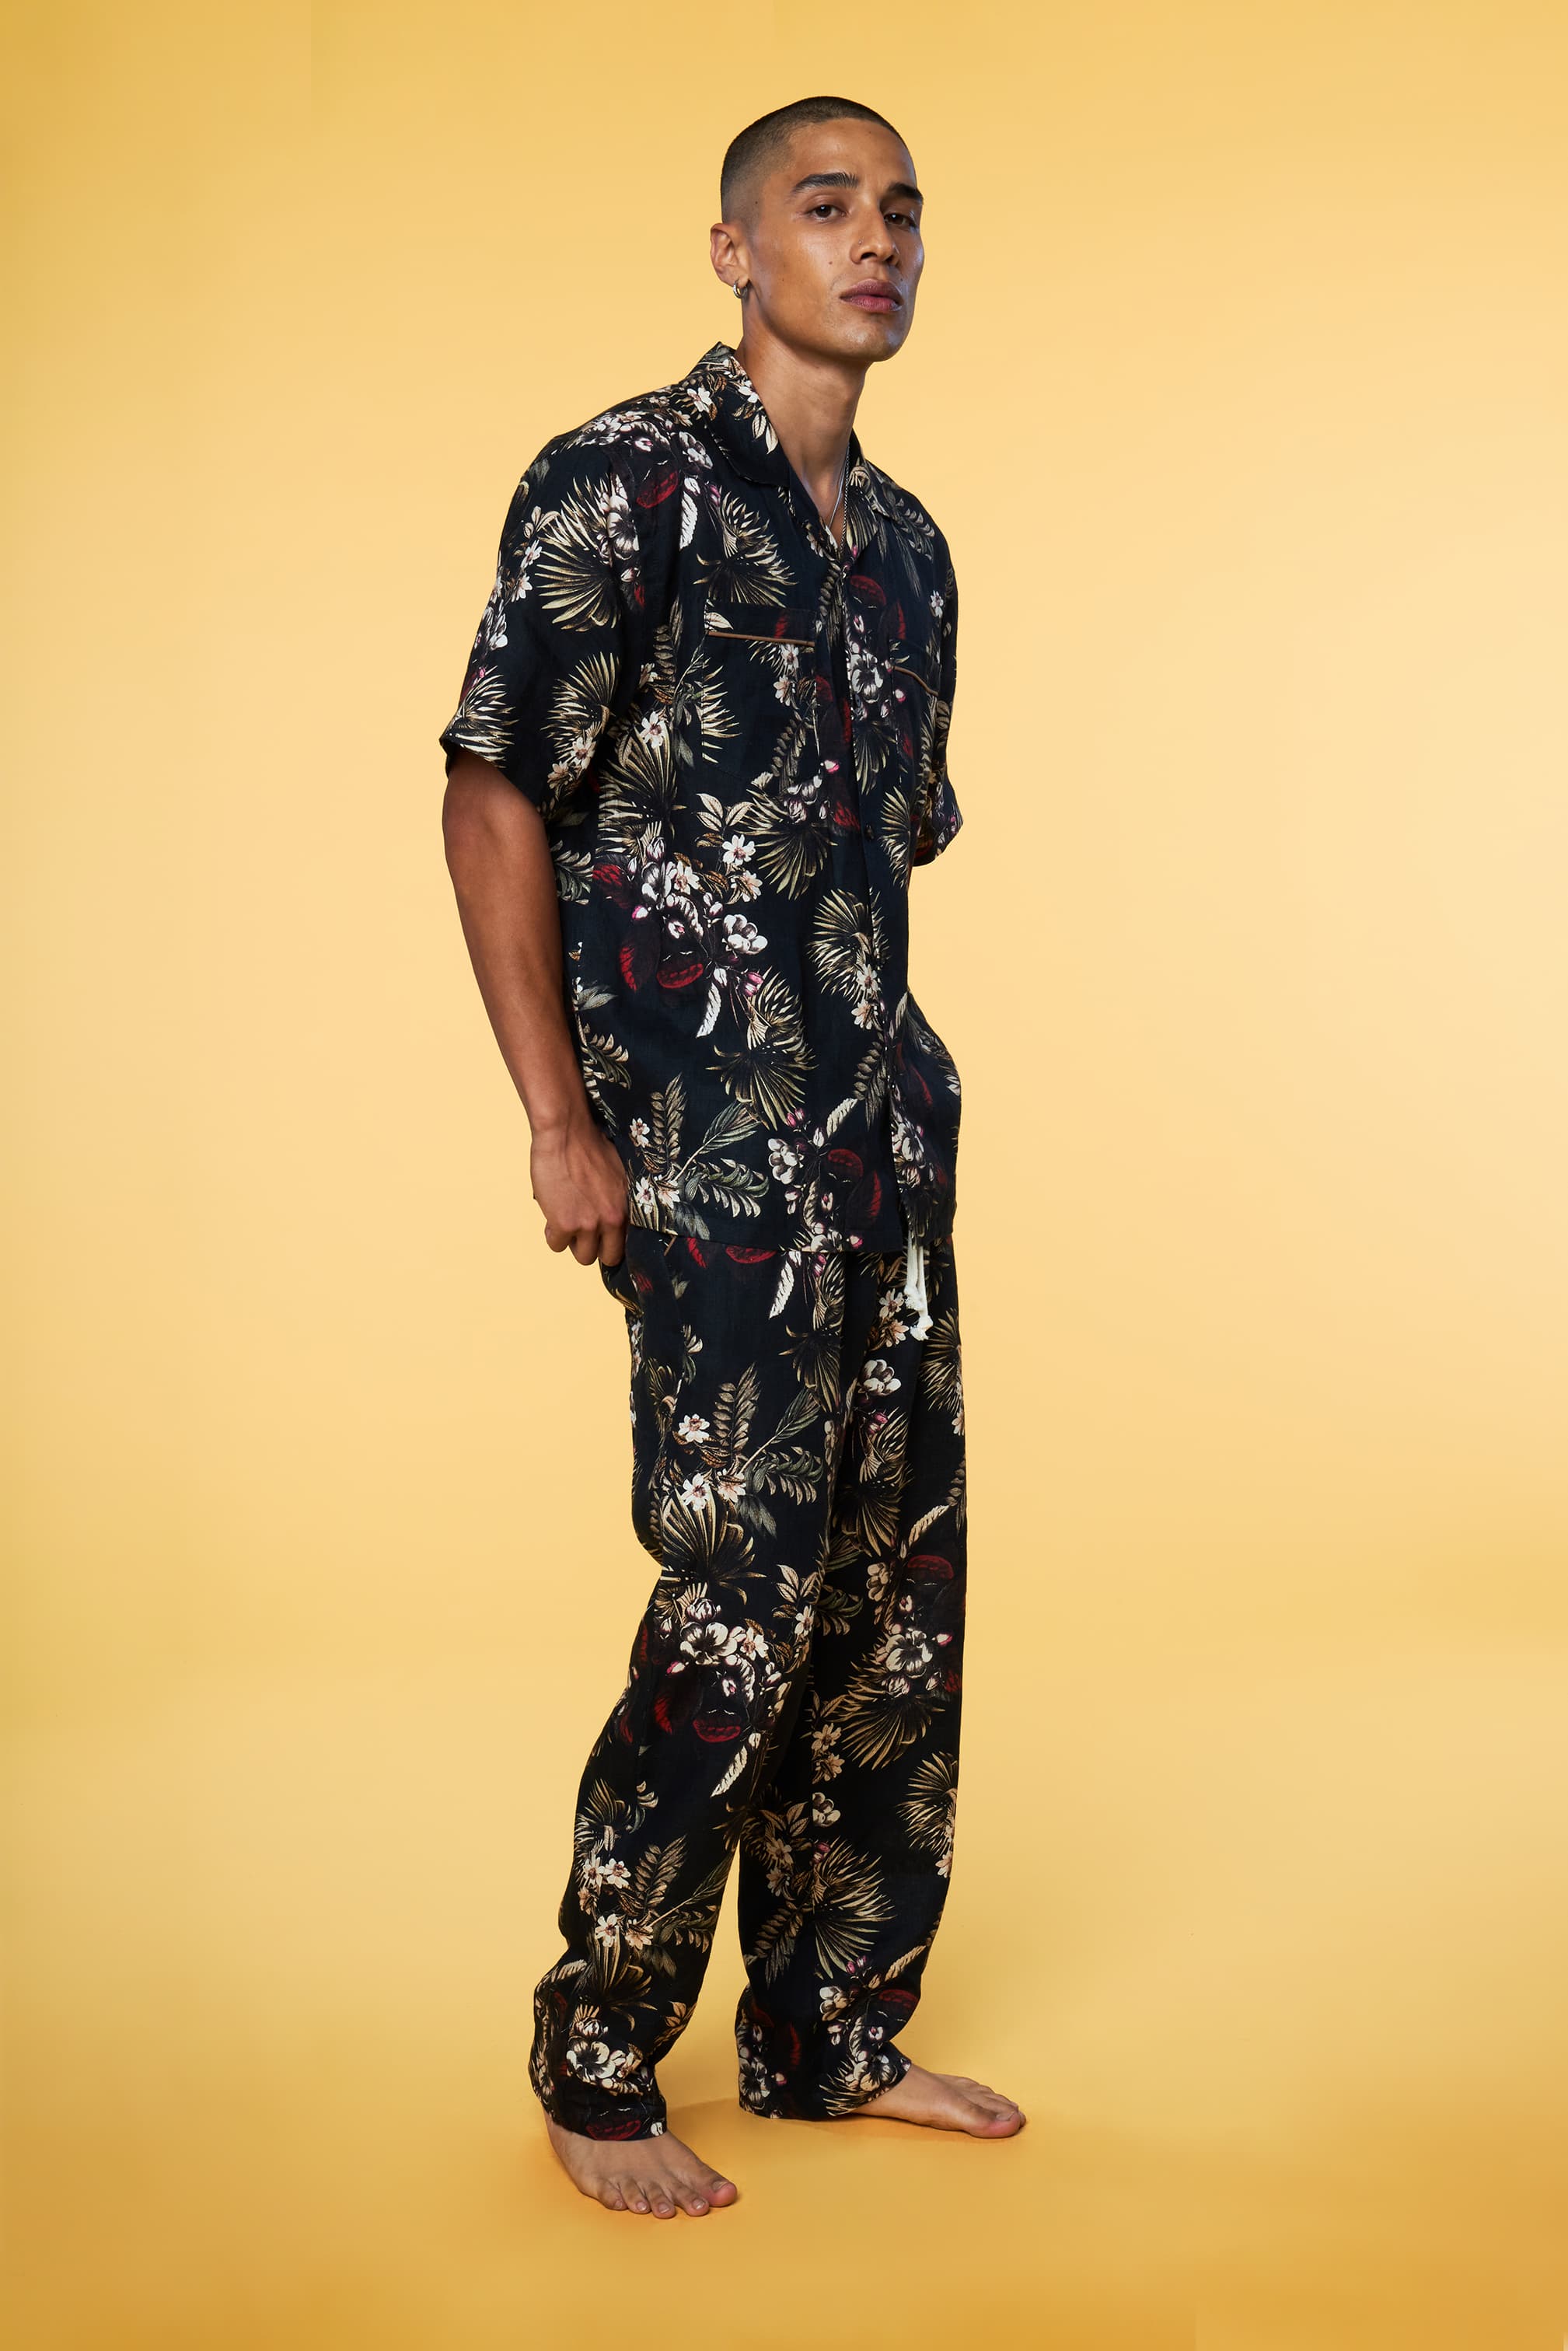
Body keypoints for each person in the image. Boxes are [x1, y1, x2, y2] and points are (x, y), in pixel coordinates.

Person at [438, 93, 1022, 2220]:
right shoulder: (621, 484)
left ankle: (826, 2031)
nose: (876, 244)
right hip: (706, 1157)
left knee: (894, 1601)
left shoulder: (911, 552)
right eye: (826, 205)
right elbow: (493, 793)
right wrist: (559, 1119)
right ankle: (600, 2048)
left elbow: (879, 854)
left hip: (883, 1151)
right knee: (739, 1596)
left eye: (902, 214)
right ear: (732, 251)